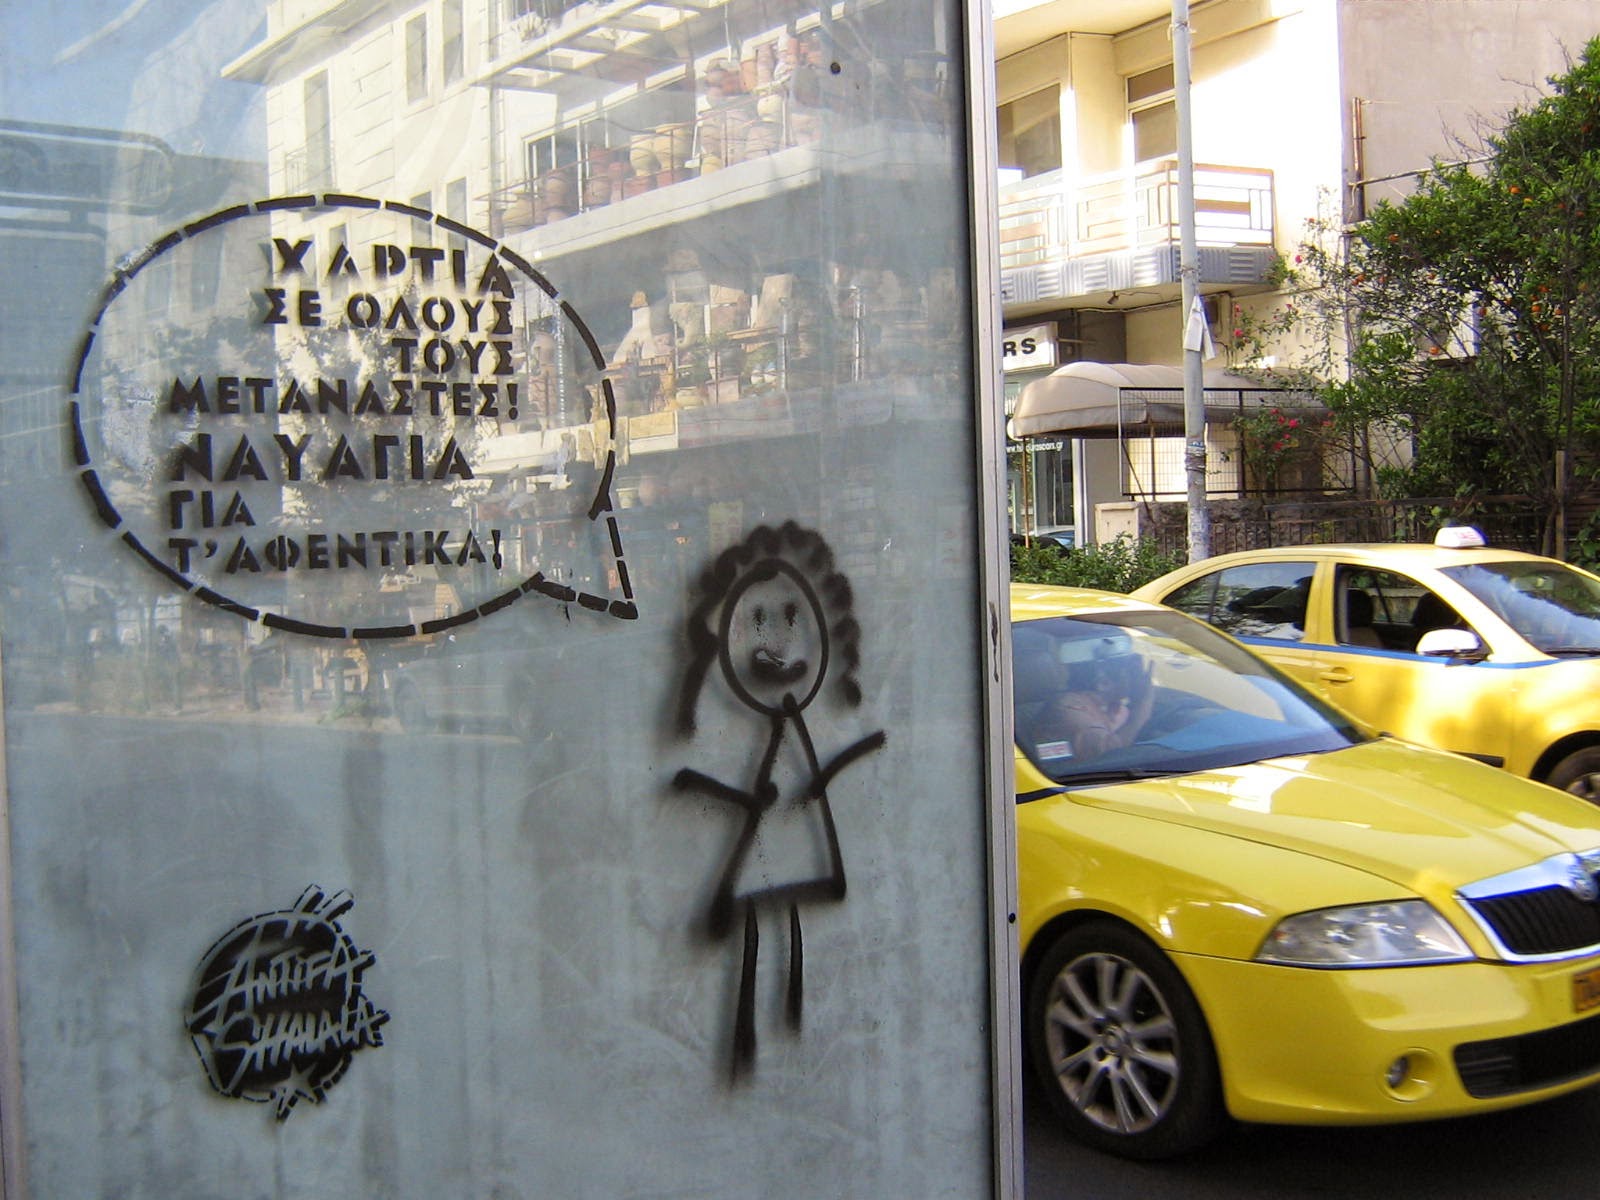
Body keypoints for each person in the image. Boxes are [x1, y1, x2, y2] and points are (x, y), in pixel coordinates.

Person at [1050, 633, 1153, 760]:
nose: (1138, 678)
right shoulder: (1071, 710)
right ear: (1104, 683)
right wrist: (1144, 703)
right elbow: (1109, 753)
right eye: (1131, 673)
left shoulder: (1110, 707)